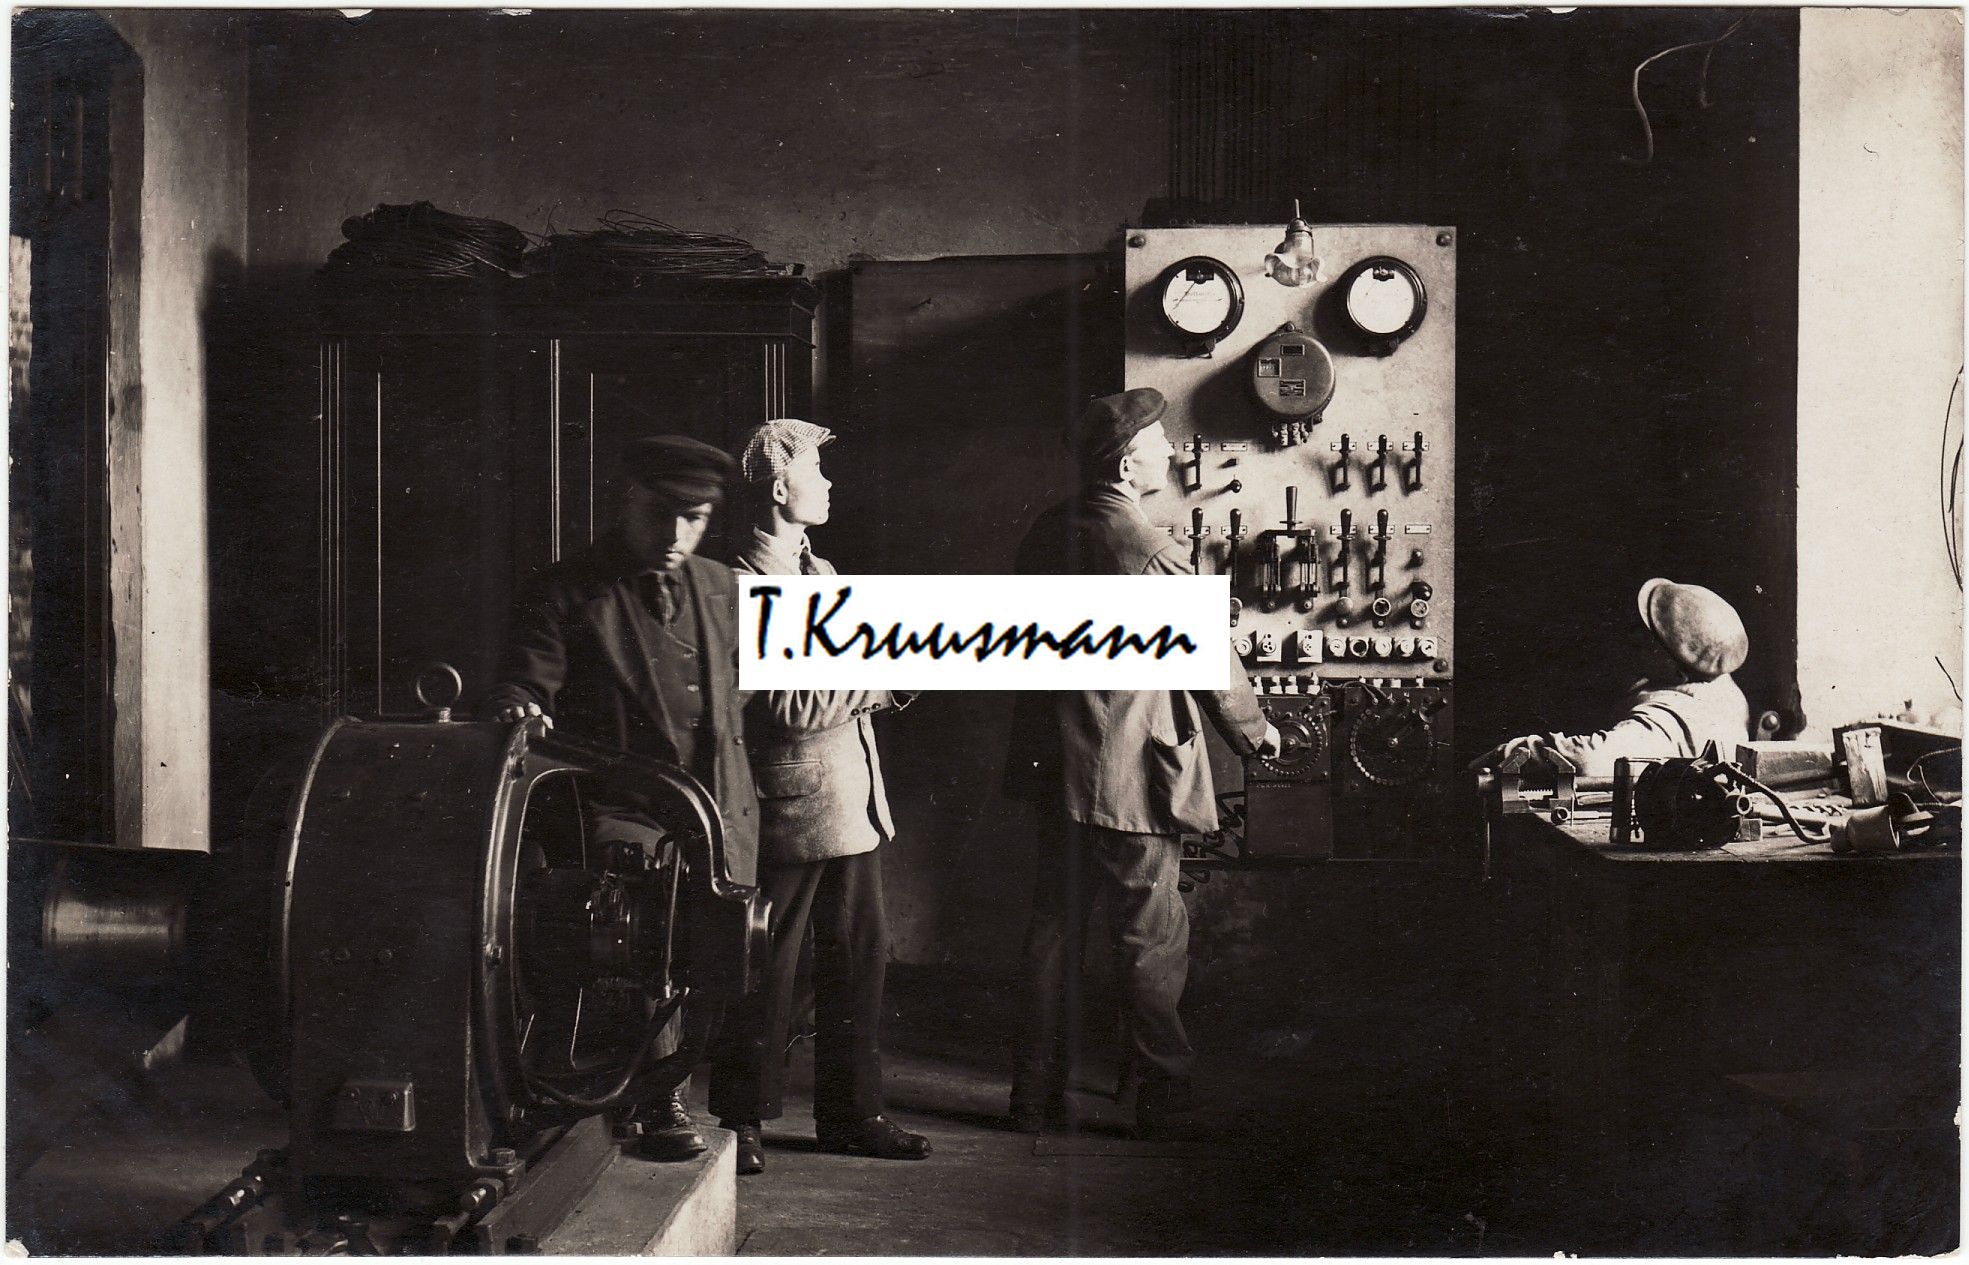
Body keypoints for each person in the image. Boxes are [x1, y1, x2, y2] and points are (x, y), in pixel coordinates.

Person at [1005, 387, 1280, 1138]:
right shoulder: (1149, 549)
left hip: (1055, 768)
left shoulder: (1048, 532)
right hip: (1129, 774)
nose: (1171, 454)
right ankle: (1163, 1097)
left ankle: (1032, 1096)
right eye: (1159, 446)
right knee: (1149, 938)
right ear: (1128, 466)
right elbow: (1204, 657)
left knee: (1052, 934)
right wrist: (1255, 731)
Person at [485, 434, 758, 1162]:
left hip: (716, 801)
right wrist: (519, 705)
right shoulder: (563, 590)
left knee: (718, 943)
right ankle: (661, 1093)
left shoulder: (722, 587)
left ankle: (655, 1080)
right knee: (650, 925)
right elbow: (526, 678)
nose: (676, 534)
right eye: (661, 513)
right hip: (619, 806)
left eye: (694, 518)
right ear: (626, 502)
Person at [707, 418, 930, 1175]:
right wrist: (886, 674)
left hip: (848, 802)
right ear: (779, 489)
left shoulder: (820, 570)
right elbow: (794, 705)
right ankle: (742, 1120)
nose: (830, 484)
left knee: (858, 963)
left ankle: (852, 1114)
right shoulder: (745, 585)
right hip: (788, 808)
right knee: (767, 969)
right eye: (815, 472)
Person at [1476, 577, 1751, 777]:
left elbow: (1587, 761)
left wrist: (1509, 753)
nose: (1633, 639)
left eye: (1649, 639)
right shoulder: (1720, 685)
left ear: (1676, 671)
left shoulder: (1666, 718)